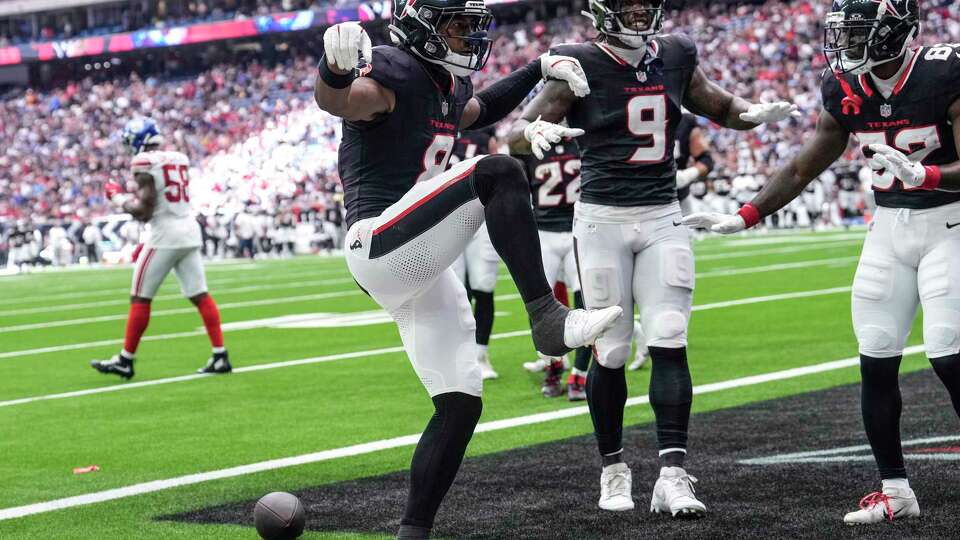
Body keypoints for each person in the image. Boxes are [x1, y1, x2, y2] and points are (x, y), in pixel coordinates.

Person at [315, 2, 623, 536]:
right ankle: (547, 318)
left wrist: (538, 68)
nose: (470, 35)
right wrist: (333, 70)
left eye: (474, 25)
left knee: (460, 405)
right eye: (458, 24)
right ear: (422, 26)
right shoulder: (392, 68)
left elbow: (478, 110)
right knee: (497, 171)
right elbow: (340, 101)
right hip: (378, 243)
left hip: (422, 265)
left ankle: (414, 532)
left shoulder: (443, 85)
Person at [507, 0, 796, 516]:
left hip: (664, 213)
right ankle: (613, 470)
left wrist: (749, 114)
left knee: (668, 335)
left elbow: (721, 107)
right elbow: (514, 137)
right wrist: (531, 134)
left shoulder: (677, 53)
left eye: (646, 1)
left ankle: (672, 475)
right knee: (612, 349)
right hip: (602, 220)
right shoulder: (578, 62)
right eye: (628, 2)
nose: (640, 10)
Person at [681, 0, 960, 525]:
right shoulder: (845, 88)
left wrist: (925, 176)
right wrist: (744, 216)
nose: (846, 44)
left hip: (951, 222)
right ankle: (896, 490)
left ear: (894, 31)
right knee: (875, 357)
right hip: (888, 230)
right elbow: (803, 165)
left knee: (948, 353)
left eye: (859, 33)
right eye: (844, 32)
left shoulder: (945, 71)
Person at [90, 118, 231, 379]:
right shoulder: (178, 157)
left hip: (164, 233)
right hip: (188, 229)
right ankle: (220, 354)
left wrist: (117, 197)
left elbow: (144, 211)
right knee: (200, 295)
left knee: (140, 297)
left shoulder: (144, 162)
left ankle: (126, 359)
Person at [513, 134, 592, 400]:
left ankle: (578, 374)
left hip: (575, 231)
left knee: (586, 306)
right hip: (547, 234)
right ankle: (554, 366)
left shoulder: (579, 140)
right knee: (539, 308)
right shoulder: (532, 144)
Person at [451, 126, 502, 380]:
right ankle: (459, 356)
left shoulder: (484, 129)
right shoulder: (434, 121)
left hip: (480, 217)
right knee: (454, 292)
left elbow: (498, 159)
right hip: (446, 221)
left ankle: (480, 355)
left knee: (483, 286)